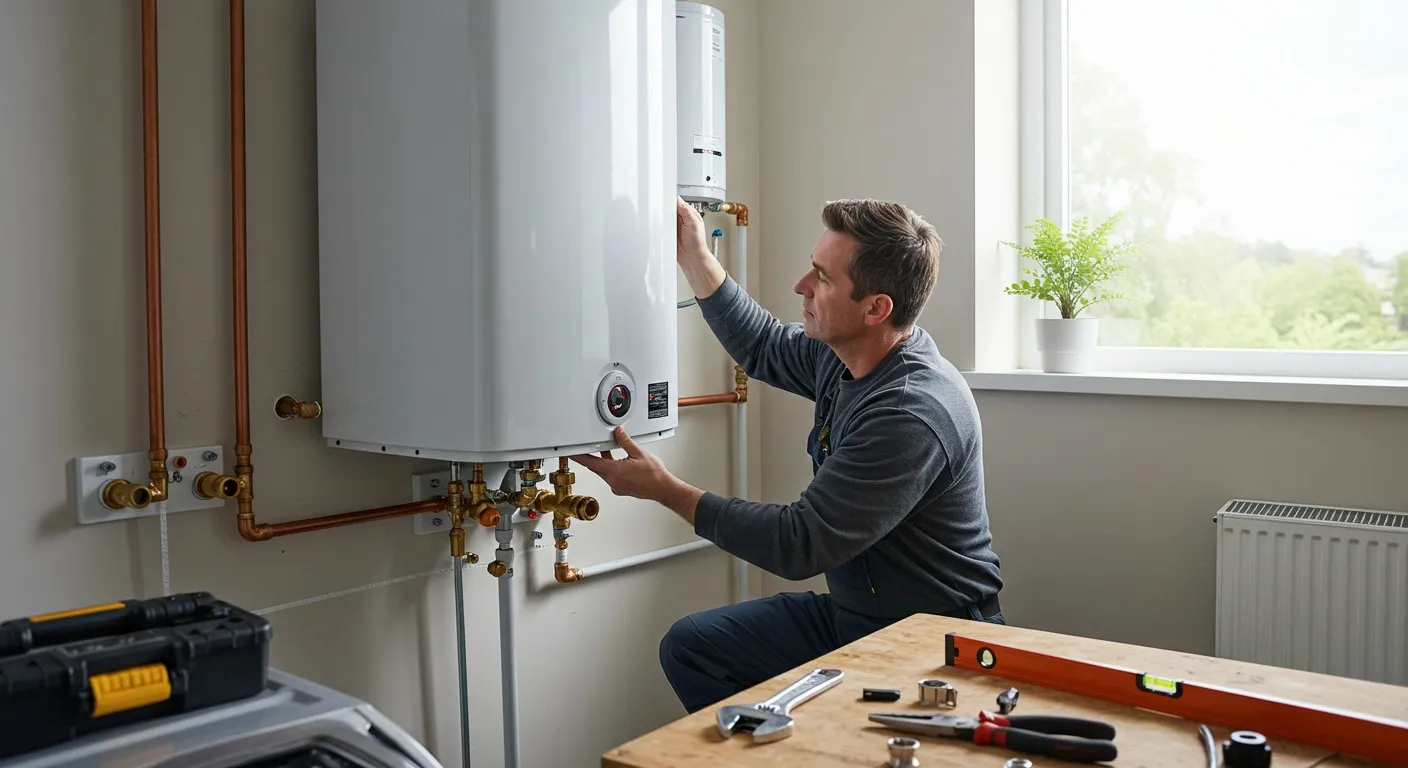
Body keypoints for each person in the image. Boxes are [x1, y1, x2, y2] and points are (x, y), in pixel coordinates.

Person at [571, 196, 1004, 714]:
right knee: (694, 647)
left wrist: (664, 489)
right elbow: (765, 346)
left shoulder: (911, 412)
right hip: (856, 616)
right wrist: (693, 254)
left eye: (822, 277)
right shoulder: (848, 355)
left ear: (875, 308)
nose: (801, 285)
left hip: (930, 642)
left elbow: (798, 544)